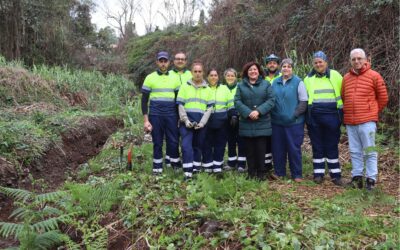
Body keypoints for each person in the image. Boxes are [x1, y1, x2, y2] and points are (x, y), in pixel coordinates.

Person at [342, 48, 388, 190]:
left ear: (366, 59)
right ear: (351, 61)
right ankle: (357, 178)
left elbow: (383, 98)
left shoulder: (374, 76)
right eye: (354, 59)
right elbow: (344, 97)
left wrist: (371, 111)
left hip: (367, 121)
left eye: (359, 58)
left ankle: (371, 179)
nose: (356, 61)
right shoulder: (346, 78)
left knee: (369, 151)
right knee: (355, 151)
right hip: (351, 121)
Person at [304, 51, 345, 186]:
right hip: (314, 117)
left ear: (326, 62)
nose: (318, 64)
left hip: (332, 116)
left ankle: (336, 176)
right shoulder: (308, 79)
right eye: (315, 62)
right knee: (317, 146)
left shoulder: (336, 75)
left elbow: (344, 93)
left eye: (320, 62)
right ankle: (318, 174)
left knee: (331, 145)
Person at [234, 62, 275, 180]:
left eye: (255, 69)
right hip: (247, 122)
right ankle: (251, 173)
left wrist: (258, 111)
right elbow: (237, 101)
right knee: (249, 150)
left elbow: (271, 100)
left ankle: (261, 173)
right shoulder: (241, 85)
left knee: (261, 149)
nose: (253, 71)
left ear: (259, 71)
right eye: (250, 70)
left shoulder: (266, 84)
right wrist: (248, 113)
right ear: (247, 72)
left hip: (262, 121)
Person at [141, 51, 180, 175]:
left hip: (171, 114)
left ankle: (172, 163)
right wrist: (146, 120)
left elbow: (179, 99)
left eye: (165, 61)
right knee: (157, 141)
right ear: (157, 62)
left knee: (173, 140)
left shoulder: (175, 77)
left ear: (169, 62)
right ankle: (157, 167)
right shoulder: (150, 77)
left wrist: (179, 117)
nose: (163, 64)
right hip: (155, 114)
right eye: (161, 61)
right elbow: (144, 101)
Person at [271, 58, 308, 182]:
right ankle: (279, 172)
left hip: (294, 123)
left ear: (292, 69)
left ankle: (296, 174)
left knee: (294, 148)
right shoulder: (275, 82)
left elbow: (303, 102)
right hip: (277, 122)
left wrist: (294, 115)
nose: (286, 68)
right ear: (280, 68)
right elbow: (271, 100)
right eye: (284, 66)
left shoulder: (298, 82)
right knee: (278, 148)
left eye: (289, 66)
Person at [176, 61, 214, 180]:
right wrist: (185, 120)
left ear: (203, 73)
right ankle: (187, 173)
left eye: (200, 71)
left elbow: (209, 109)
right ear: (191, 72)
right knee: (186, 146)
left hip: (201, 123)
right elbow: (180, 105)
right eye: (195, 71)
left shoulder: (208, 89)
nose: (197, 74)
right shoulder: (184, 87)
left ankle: (196, 170)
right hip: (186, 122)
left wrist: (202, 123)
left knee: (198, 146)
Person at [164, 52, 192, 167]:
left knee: (186, 135)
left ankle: (187, 159)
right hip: (171, 109)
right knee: (172, 136)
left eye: (182, 59)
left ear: (186, 61)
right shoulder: (168, 74)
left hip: (188, 109)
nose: (180, 61)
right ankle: (171, 159)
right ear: (174, 61)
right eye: (178, 59)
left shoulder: (191, 74)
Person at [202, 69, 232, 174]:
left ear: (218, 77)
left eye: (215, 75)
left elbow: (230, 103)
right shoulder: (203, 88)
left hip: (222, 120)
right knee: (207, 143)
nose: (213, 77)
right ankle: (208, 165)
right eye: (211, 75)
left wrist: (233, 115)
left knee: (220, 144)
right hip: (207, 120)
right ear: (207, 77)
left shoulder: (224, 88)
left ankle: (217, 165)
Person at [223, 68, 246, 172]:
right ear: (225, 77)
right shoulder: (222, 88)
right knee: (230, 140)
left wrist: (237, 114)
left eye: (232, 76)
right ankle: (231, 162)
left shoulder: (240, 87)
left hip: (239, 116)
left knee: (241, 140)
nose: (230, 77)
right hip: (226, 117)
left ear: (236, 77)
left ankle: (241, 164)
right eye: (228, 75)